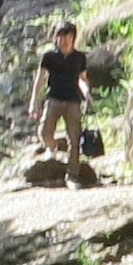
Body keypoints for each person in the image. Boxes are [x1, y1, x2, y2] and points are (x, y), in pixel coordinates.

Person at [31, 21, 94, 176]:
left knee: (74, 139)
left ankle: (72, 176)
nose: (65, 40)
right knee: (45, 132)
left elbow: (82, 78)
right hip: (54, 99)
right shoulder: (49, 57)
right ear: (56, 38)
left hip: (73, 100)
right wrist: (34, 101)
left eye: (68, 36)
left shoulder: (79, 57)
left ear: (73, 38)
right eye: (61, 36)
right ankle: (52, 147)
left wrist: (86, 92)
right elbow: (40, 79)